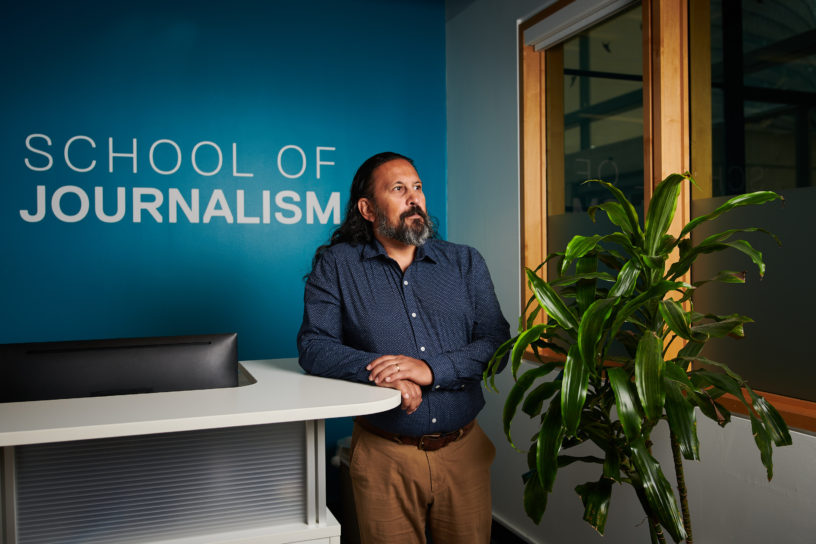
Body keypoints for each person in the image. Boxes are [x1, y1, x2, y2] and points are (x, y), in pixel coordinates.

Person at [297, 151, 510, 544]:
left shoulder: (465, 262)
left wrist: (430, 369)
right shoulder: (338, 266)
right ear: (367, 208)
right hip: (384, 457)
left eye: (417, 187)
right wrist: (383, 372)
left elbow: (497, 344)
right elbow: (314, 346)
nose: (414, 198)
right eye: (398, 189)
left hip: (464, 453)